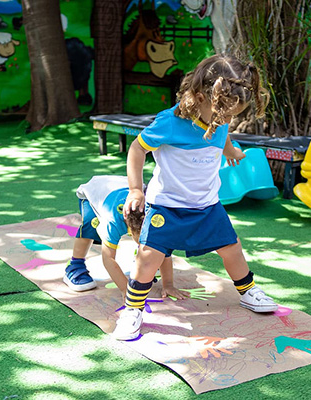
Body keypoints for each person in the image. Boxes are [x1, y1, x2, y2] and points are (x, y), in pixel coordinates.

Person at [113, 54, 278, 341]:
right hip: (167, 206)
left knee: (232, 249)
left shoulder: (221, 118)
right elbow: (137, 150)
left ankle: (248, 291)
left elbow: (222, 135)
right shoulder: (169, 123)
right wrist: (136, 189)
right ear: (199, 95)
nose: (226, 120)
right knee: (148, 257)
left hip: (207, 206)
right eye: (223, 114)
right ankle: (132, 309)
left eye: (232, 116)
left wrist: (233, 152)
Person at [63, 175, 188, 301]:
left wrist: (168, 285)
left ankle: (141, 258)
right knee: (90, 228)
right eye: (144, 242)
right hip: (93, 193)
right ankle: (74, 265)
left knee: (155, 245)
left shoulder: (157, 217)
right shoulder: (112, 221)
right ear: (130, 230)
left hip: (125, 188)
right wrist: (126, 289)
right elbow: (108, 259)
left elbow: (164, 250)